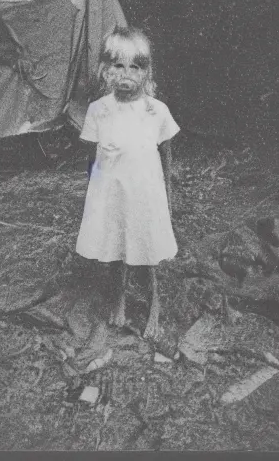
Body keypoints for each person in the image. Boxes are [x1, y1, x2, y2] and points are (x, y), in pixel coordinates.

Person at [76, 26, 180, 340]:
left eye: (135, 66)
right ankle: (119, 298)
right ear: (106, 71)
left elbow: (167, 156)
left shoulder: (156, 111)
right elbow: (91, 160)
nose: (126, 74)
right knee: (119, 246)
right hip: (113, 191)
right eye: (118, 66)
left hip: (147, 191)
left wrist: (169, 196)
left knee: (148, 251)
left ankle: (155, 304)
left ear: (146, 71)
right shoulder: (98, 111)